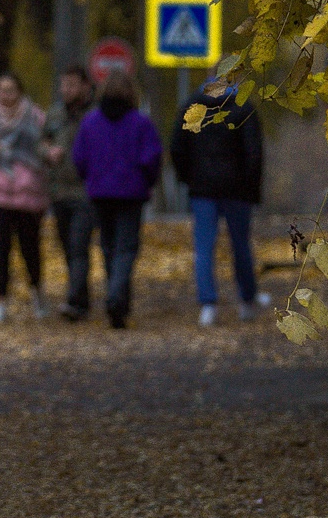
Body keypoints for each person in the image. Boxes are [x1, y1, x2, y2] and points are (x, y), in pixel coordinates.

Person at [71, 70, 162, 329]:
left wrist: (90, 179)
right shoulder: (140, 123)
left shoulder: (90, 122)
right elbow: (151, 158)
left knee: (109, 246)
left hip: (100, 193)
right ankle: (116, 298)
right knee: (126, 247)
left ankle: (118, 300)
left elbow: (79, 158)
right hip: (131, 194)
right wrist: (147, 181)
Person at [170, 79, 264, 325]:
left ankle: (208, 304)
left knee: (203, 247)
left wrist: (187, 179)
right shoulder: (244, 107)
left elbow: (177, 147)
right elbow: (254, 152)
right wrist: (251, 188)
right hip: (237, 189)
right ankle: (246, 300)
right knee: (241, 246)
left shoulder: (192, 105)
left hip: (202, 188)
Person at [0, 72, 50, 324]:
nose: (5, 95)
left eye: (10, 90)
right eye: (0, 90)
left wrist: (49, 154)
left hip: (28, 193)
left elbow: (45, 152)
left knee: (30, 249)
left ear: (20, 91)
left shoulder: (36, 117)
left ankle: (37, 294)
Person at [41, 65, 96, 321]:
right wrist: (47, 152)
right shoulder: (55, 113)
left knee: (78, 245)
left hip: (86, 192)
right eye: (63, 85)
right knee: (67, 247)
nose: (66, 90)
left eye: (72, 85)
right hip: (59, 191)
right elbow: (41, 141)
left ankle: (75, 301)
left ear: (86, 86)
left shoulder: (96, 113)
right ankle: (81, 299)